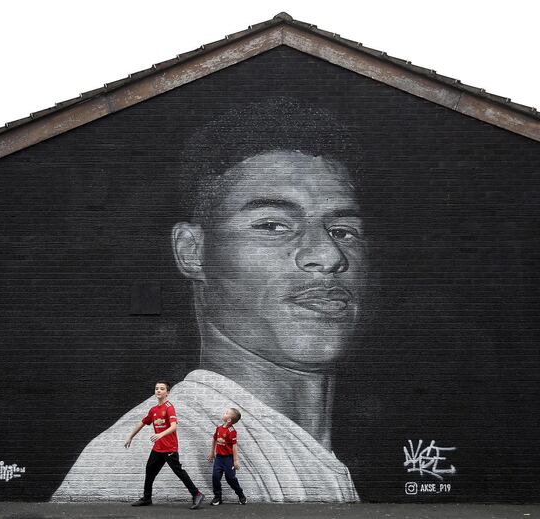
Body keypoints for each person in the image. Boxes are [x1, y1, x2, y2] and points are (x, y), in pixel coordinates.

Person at [52, 98, 368, 503]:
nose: (328, 256)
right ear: (192, 251)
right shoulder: (152, 462)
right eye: (273, 225)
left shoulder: (308, 454)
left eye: (343, 230)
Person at [123, 380, 205, 509]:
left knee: (178, 471)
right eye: (157, 388)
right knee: (149, 471)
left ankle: (197, 494)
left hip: (169, 447)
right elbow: (142, 423)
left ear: (167, 393)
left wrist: (160, 435)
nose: (158, 390)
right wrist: (130, 436)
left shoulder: (169, 407)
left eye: (162, 389)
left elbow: (174, 426)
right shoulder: (154, 410)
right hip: (158, 448)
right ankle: (147, 498)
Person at [208, 408, 246, 506]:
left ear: (229, 420)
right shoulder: (219, 428)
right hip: (219, 458)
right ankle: (217, 497)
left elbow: (234, 446)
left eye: (226, 413)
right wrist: (212, 452)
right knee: (215, 477)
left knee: (230, 478)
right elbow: (214, 440)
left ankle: (240, 494)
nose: (224, 413)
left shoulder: (231, 431)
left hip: (228, 459)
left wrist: (236, 460)